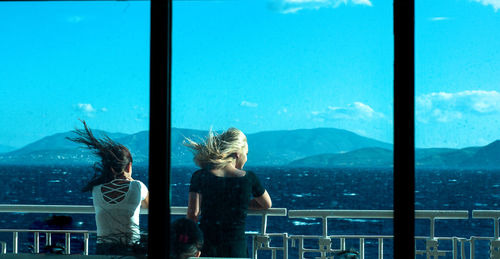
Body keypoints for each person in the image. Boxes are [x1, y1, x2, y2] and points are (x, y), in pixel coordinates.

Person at [185, 128, 272, 258]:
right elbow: (266, 204)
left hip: (207, 247)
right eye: (246, 154)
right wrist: (238, 203)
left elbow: (193, 214)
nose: (246, 158)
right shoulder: (249, 178)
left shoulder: (199, 176)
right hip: (236, 249)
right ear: (237, 153)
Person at [67, 120, 149, 255]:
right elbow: (148, 205)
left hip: (103, 249)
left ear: (109, 167)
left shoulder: (96, 189)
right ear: (129, 166)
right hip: (130, 249)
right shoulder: (138, 187)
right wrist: (132, 181)